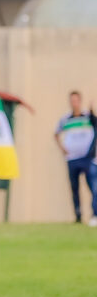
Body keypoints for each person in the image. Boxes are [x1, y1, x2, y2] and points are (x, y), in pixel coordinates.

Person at [54, 91, 97, 225]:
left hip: (87, 158)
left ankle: (94, 214)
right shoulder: (65, 119)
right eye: (72, 100)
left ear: (80, 101)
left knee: (93, 187)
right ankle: (78, 216)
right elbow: (56, 134)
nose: (74, 103)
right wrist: (62, 149)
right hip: (72, 159)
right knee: (74, 188)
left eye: (76, 100)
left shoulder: (88, 117)